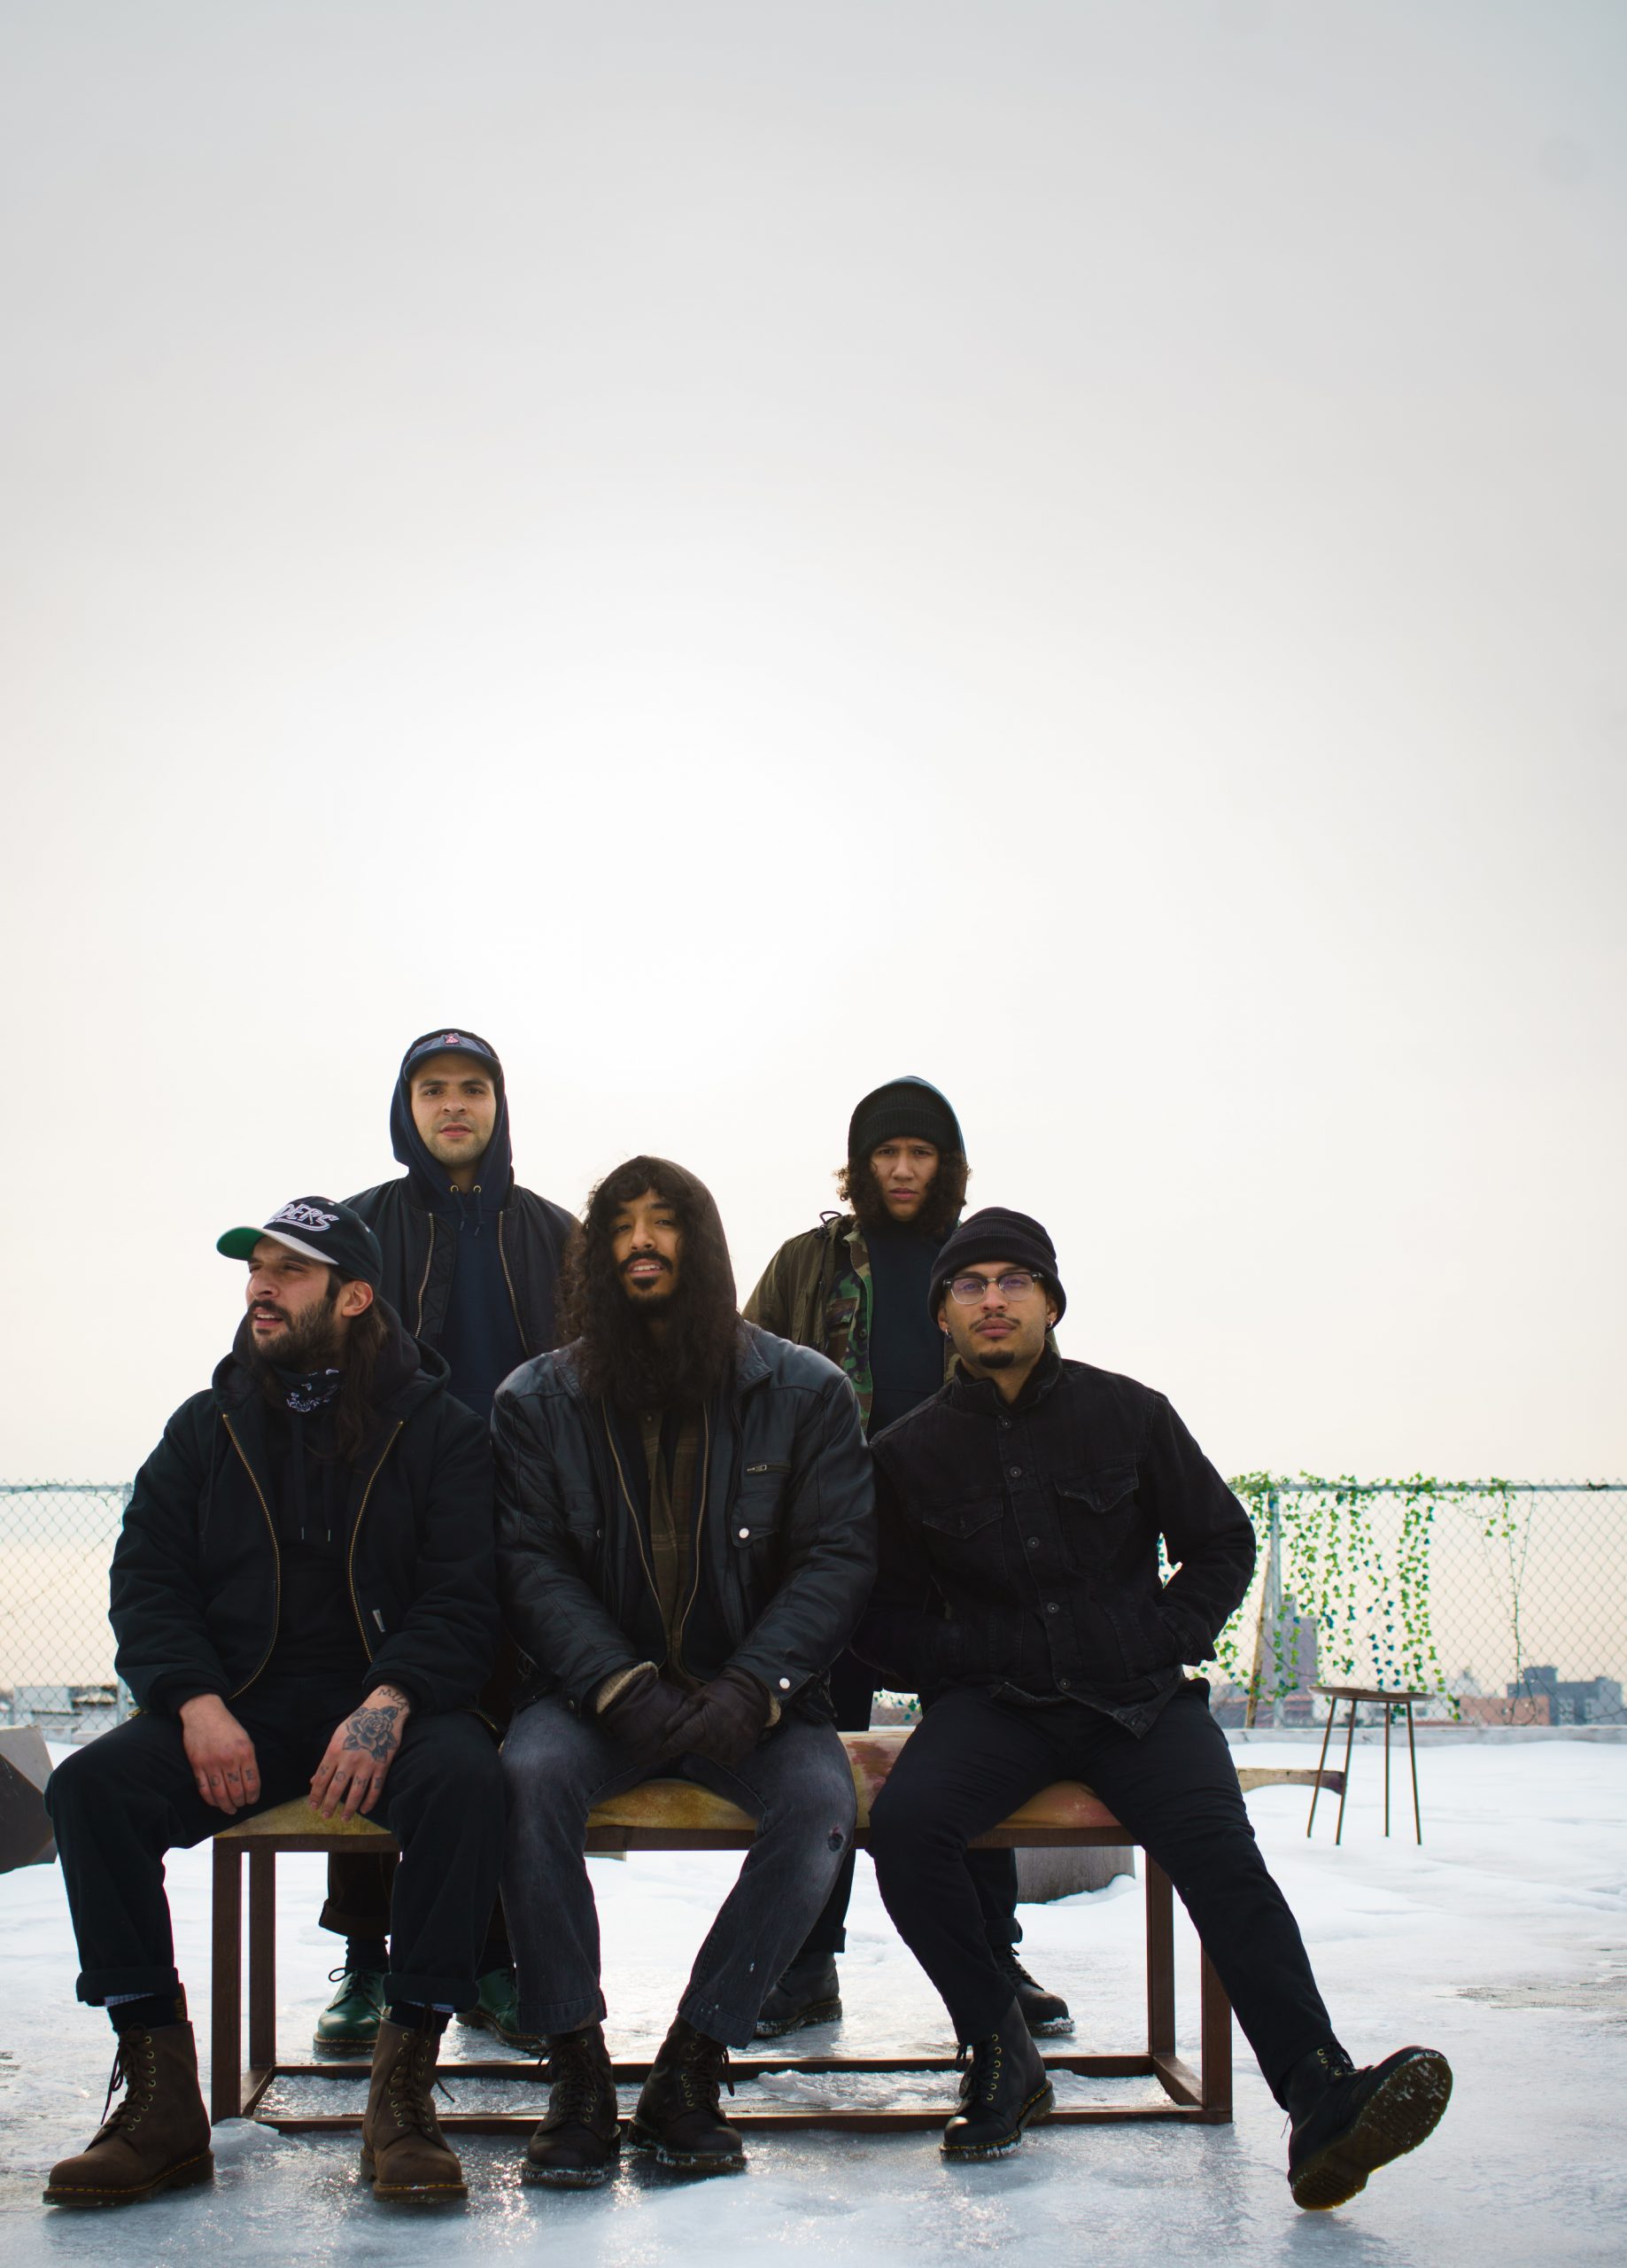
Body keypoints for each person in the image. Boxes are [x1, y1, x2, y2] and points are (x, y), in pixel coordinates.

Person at [856, 1206, 1453, 2198]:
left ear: (1051, 1302)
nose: (993, 1300)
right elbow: (877, 1621)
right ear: (943, 1316)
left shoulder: (1130, 1414)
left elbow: (1221, 1541)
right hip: (994, 1708)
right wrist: (974, 1654)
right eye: (970, 1285)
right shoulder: (905, 1455)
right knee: (909, 1831)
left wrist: (1162, 1636)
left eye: (1014, 1282)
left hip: (1138, 1704)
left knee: (1221, 1858)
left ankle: (1319, 2093)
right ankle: (1002, 2051)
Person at [43, 1198, 504, 2208]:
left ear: (355, 1296)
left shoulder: (438, 1429)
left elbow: (466, 1595)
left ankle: (402, 2095)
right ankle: (162, 2101)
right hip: (240, 1711)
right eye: (256, 1267)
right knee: (90, 1790)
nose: (261, 1286)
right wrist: (193, 1701)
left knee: (469, 1782)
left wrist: (392, 1699)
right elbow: (148, 1581)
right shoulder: (205, 1426)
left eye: (290, 1271)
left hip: (389, 1708)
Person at [496, 1157, 874, 2184]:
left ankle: (692, 2064)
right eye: (619, 1225)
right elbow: (530, 1563)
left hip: (752, 1701)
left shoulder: (805, 1389)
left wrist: (753, 1687)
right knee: (526, 1777)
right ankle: (576, 2069)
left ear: (702, 1245)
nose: (640, 1242)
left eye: (663, 1222)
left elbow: (836, 1557)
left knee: (820, 1806)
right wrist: (618, 1684)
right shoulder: (535, 1398)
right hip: (593, 1699)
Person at [744, 1077, 1068, 2041]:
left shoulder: (977, 1266)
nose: (899, 1169)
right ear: (858, 1164)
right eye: (883, 1152)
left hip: (958, 1541)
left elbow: (1037, 1387)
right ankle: (805, 1961)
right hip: (828, 1536)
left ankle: (993, 1958)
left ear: (945, 1165)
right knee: (815, 1746)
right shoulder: (807, 1262)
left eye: (918, 1152)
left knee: (981, 1734)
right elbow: (745, 1380)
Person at [313, 1027, 577, 2056]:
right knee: (375, 1710)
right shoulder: (361, 1228)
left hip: (522, 1518)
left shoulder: (554, 1234)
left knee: (502, 1740)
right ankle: (367, 1957)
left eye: (473, 1087)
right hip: (389, 1517)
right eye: (433, 1089)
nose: (454, 1105)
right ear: (407, 1106)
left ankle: (496, 1957)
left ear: (499, 1106)